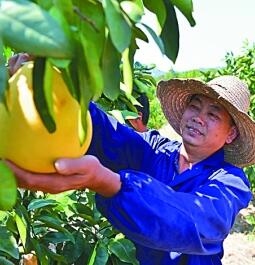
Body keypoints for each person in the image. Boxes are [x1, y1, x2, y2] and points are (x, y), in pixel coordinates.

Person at [6, 57, 255, 265]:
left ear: (231, 134)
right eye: (195, 106)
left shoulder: (229, 182)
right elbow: (109, 134)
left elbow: (195, 221)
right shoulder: (157, 151)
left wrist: (113, 185)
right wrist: (60, 90)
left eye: (213, 115)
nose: (198, 118)